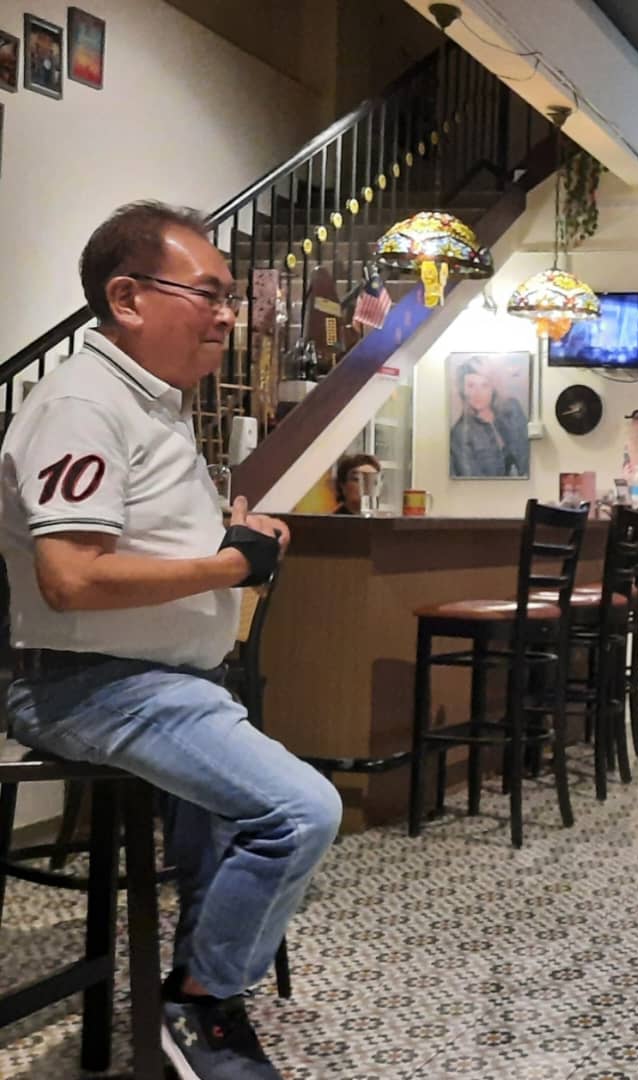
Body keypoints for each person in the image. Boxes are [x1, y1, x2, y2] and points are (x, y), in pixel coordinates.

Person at [0, 201, 343, 1080]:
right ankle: (198, 1007)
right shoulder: (80, 405)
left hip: (155, 678)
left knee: (236, 814)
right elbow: (71, 577)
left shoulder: (147, 402)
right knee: (300, 810)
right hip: (91, 681)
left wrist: (228, 536)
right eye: (209, 294)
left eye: (230, 297)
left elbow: (135, 540)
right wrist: (231, 565)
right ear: (127, 298)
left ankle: (200, 990)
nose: (229, 315)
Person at [449, 357, 529, 478]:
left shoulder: (512, 410)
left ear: (493, 388)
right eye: (471, 386)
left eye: (484, 385)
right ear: (463, 390)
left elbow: (531, 456)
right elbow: (470, 481)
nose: (478, 393)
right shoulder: (459, 434)